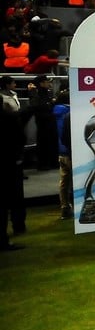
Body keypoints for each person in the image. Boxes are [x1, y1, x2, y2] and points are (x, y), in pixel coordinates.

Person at [0, 103, 26, 250]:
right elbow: (21, 138)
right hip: (9, 165)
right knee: (14, 198)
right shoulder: (9, 117)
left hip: (9, 164)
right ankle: (17, 226)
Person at [53, 89, 72, 219]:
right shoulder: (71, 114)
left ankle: (65, 208)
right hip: (71, 151)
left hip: (61, 150)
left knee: (64, 181)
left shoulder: (55, 111)